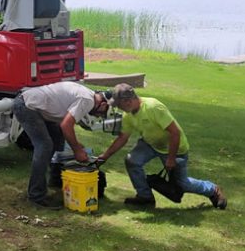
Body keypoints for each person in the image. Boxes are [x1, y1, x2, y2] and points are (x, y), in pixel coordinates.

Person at [97, 83, 227, 209]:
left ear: (127, 101)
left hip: (174, 148)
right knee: (132, 161)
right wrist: (104, 156)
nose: (118, 108)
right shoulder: (128, 115)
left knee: (183, 184)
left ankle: (212, 189)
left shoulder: (153, 107)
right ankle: (145, 197)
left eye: (119, 104)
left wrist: (171, 159)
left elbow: (175, 133)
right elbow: (123, 138)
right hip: (150, 144)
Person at [12, 81, 112, 210]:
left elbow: (64, 124)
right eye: (102, 113)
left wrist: (76, 144)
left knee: (58, 140)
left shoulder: (88, 95)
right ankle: (36, 196)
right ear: (103, 103)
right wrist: (77, 150)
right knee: (45, 146)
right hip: (27, 106)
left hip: (36, 106)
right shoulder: (87, 100)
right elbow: (66, 125)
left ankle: (56, 180)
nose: (99, 115)